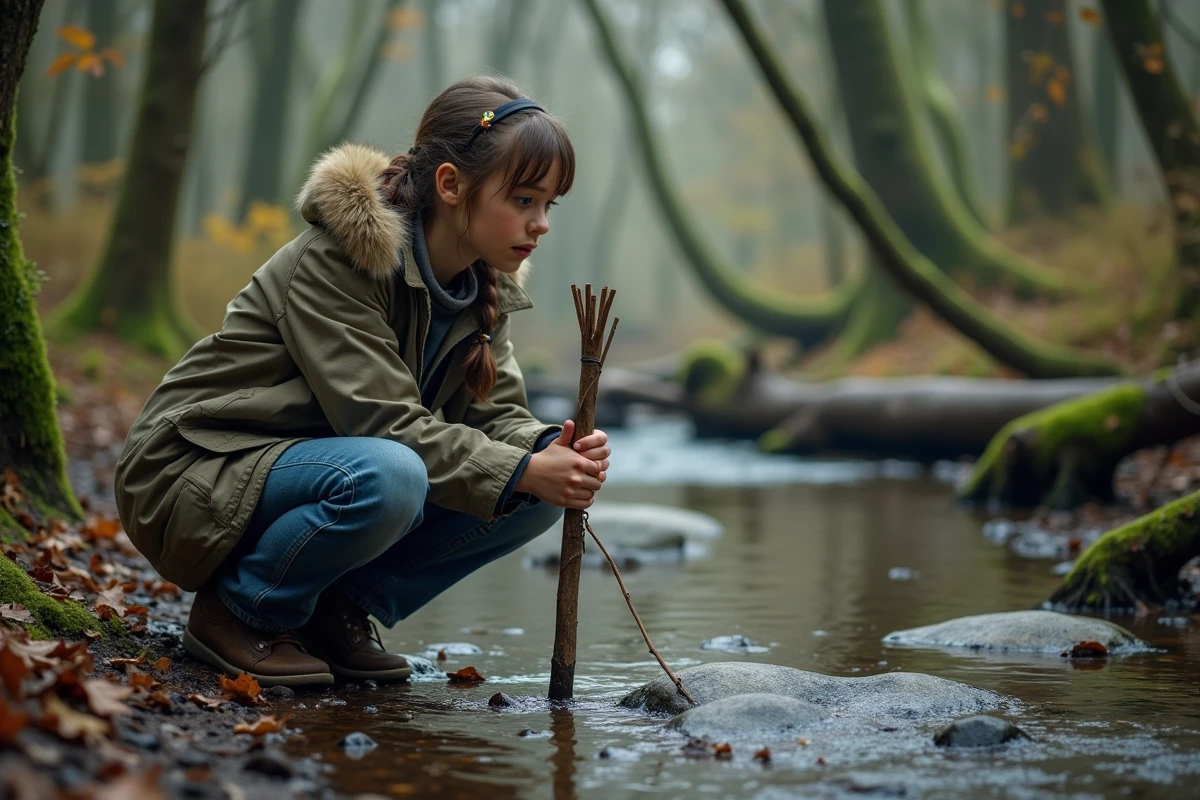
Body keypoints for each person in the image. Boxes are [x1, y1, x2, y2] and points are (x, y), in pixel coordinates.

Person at [113, 76, 610, 687]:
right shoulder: (341, 261)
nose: (541, 224)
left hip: (314, 468)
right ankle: (241, 611)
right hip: (196, 467)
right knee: (396, 474)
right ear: (451, 185)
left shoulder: (481, 291)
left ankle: (334, 611)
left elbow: (495, 415)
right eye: (525, 200)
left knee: (529, 491)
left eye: (549, 205)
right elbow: (384, 424)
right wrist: (519, 468)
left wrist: (547, 452)